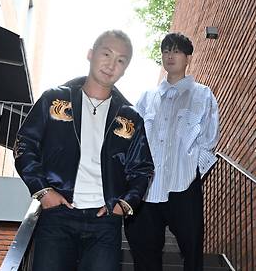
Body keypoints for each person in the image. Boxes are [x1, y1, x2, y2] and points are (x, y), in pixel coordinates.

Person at [13, 30, 154, 271]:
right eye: (106, 54)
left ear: (125, 69)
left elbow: (142, 168)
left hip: (105, 222)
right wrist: (43, 191)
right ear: (91, 54)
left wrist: (124, 204)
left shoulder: (130, 118)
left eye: (121, 60)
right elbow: (24, 144)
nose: (111, 64)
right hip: (58, 213)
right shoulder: (54, 99)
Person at [126, 32, 220, 271]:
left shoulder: (202, 94)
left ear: (187, 57)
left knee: (192, 252)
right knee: (144, 256)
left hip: (183, 185)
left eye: (176, 50)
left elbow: (209, 139)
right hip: (146, 190)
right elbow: (133, 140)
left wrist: (192, 172)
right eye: (166, 50)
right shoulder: (147, 98)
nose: (170, 55)